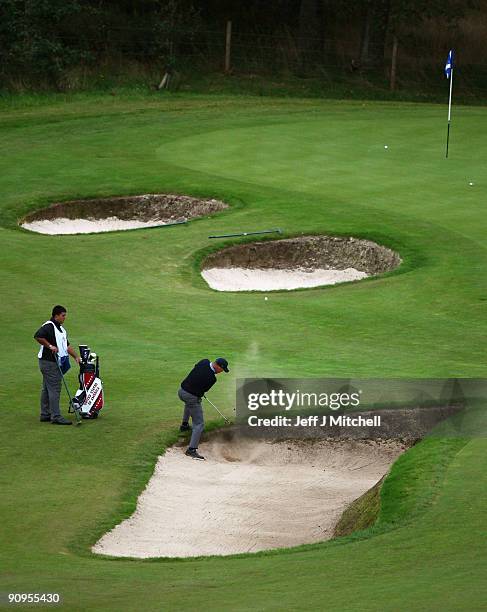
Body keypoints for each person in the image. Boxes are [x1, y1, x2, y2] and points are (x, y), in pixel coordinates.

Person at [34, 305, 80, 425]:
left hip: (53, 362)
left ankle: (45, 414)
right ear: (56, 316)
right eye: (63, 315)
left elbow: (67, 346)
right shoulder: (49, 326)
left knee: (47, 388)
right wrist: (50, 346)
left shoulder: (61, 329)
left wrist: (75, 356)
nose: (64, 318)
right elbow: (38, 336)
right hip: (49, 362)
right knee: (55, 388)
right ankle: (56, 416)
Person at [178, 357, 229, 460]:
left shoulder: (204, 361)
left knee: (188, 404)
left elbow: (196, 370)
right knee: (199, 424)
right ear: (217, 366)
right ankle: (191, 450)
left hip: (181, 391)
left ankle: (184, 425)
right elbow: (204, 389)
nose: (221, 372)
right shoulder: (212, 378)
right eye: (222, 370)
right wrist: (199, 392)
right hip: (191, 396)